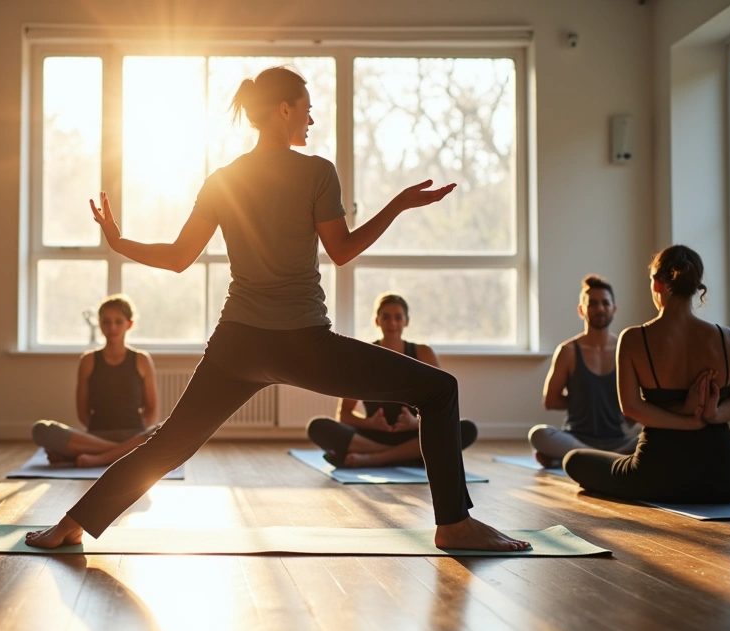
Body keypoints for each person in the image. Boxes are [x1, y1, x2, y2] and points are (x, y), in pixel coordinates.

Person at [26, 66, 530, 551]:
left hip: (237, 342)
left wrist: (119, 242)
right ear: (283, 109)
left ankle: (71, 525)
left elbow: (180, 258)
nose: (311, 120)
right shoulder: (316, 172)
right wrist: (396, 205)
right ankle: (455, 524)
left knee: (170, 444)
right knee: (439, 390)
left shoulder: (223, 177)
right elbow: (342, 251)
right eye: (307, 110)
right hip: (302, 342)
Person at [563, 245, 730, 503]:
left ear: (657, 284)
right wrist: (710, 414)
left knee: (574, 460)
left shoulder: (633, 338)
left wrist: (686, 419)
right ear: (696, 285)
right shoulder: (727, 338)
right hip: (724, 481)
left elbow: (631, 408)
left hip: (651, 478)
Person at [306, 293, 478, 468]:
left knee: (466, 429)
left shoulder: (423, 353)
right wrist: (370, 423)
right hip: (373, 436)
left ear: (406, 321)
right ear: (377, 321)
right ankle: (408, 456)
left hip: (414, 434)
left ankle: (376, 458)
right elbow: (344, 415)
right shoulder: (363, 356)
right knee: (318, 426)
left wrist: (416, 423)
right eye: (386, 317)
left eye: (398, 317)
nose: (392, 323)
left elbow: (442, 408)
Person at [31, 295, 161, 467]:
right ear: (99, 324)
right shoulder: (88, 360)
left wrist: (139, 436)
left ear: (129, 324)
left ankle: (99, 458)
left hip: (134, 436)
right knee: (41, 430)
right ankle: (122, 452)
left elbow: (152, 409)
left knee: (162, 429)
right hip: (95, 437)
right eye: (106, 321)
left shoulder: (142, 359)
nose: (112, 327)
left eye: (118, 321)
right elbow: (82, 411)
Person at [529, 275, 638, 468]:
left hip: (619, 440)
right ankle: (608, 459)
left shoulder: (626, 348)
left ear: (614, 308)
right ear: (581, 310)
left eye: (605, 303)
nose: (600, 308)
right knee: (539, 434)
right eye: (593, 304)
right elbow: (550, 400)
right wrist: (584, 401)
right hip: (576, 438)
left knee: (654, 435)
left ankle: (581, 458)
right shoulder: (568, 351)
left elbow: (635, 404)